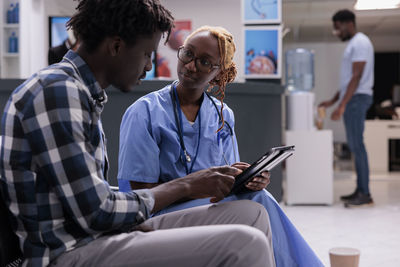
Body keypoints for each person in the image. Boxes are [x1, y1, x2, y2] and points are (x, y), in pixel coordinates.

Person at [0, 1, 276, 267]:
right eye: (147, 54)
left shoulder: (78, 92)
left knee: (252, 214)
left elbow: (88, 200)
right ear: (117, 46)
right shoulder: (57, 92)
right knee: (245, 242)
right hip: (70, 252)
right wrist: (187, 184)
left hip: (100, 234)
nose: (147, 65)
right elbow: (97, 213)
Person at [118, 25, 323, 267]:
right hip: (160, 213)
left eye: (205, 62)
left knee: (258, 195)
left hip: (209, 207)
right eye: (188, 54)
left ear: (218, 73)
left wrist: (247, 180)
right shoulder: (145, 112)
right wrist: (193, 186)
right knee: (259, 205)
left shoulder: (222, 114)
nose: (191, 65)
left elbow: (227, 179)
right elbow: (141, 195)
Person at [319, 9, 374, 207]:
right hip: (354, 98)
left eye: (337, 28)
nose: (337, 32)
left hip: (357, 99)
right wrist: (333, 100)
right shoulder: (355, 43)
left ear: (347, 23)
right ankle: (361, 190)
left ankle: (365, 193)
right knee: (356, 146)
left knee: (357, 146)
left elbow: (357, 77)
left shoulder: (360, 42)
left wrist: (342, 105)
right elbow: (347, 81)